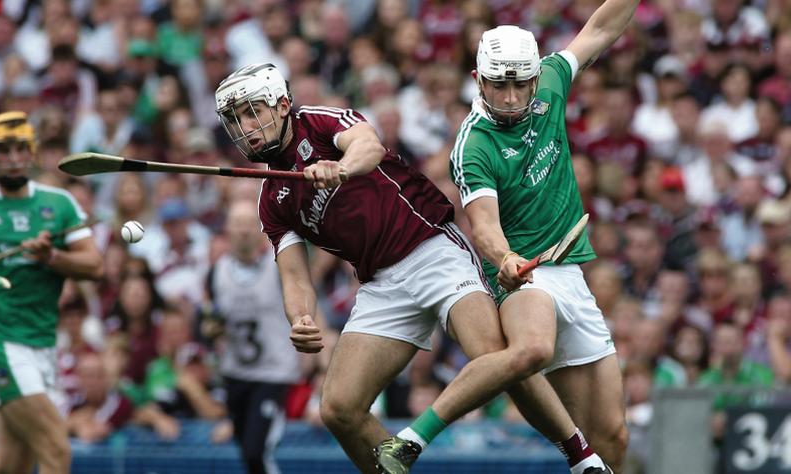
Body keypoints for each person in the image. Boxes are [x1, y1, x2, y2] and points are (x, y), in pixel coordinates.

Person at [214, 64, 611, 474]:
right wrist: (300, 317)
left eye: (251, 112)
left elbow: (368, 144)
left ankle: (581, 457)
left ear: (281, 104)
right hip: (380, 286)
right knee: (338, 408)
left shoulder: (316, 122)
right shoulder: (271, 201)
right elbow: (294, 276)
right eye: (235, 119)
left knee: (493, 356)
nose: (245, 126)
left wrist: (340, 168)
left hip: (432, 248)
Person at [447, 10, 639, 473]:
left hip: (570, 273)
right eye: (498, 86)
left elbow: (600, 29)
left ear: (536, 77)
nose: (511, 98)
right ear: (478, 79)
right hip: (524, 282)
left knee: (613, 435)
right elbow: (484, 227)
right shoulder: (473, 144)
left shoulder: (551, 82)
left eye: (521, 85)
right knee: (581, 437)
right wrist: (506, 258)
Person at [0, 111, 104, 474]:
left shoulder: (59, 204)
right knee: (57, 449)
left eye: (19, 148)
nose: (11, 158)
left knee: (12, 465)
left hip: (42, 342)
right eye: (2, 150)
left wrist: (51, 256)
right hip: (0, 344)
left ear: (32, 152)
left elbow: (94, 265)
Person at [205, 199, 302, 474]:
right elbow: (212, 319)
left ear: (260, 230)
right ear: (227, 230)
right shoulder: (217, 272)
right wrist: (212, 330)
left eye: (250, 224)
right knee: (246, 451)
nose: (244, 231)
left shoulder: (279, 267)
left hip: (273, 374)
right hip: (236, 373)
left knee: (256, 452)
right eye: (237, 224)